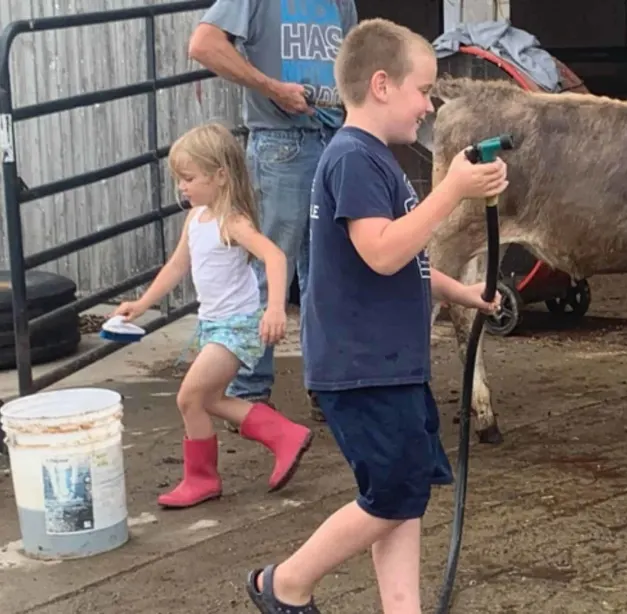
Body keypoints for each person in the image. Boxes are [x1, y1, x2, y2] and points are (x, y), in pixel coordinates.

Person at [243, 18, 509, 614]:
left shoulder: (375, 159)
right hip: (363, 367)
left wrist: (463, 294)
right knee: (391, 496)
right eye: (423, 91)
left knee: (403, 494)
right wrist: (453, 192)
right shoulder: (353, 159)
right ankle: (283, 583)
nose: (427, 106)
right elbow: (382, 251)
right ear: (383, 85)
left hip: (390, 363)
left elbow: (403, 256)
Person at [112, 122, 314, 509]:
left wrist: (274, 308)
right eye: (179, 180)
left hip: (237, 326)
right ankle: (283, 435)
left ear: (220, 176)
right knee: (211, 399)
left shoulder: (232, 220)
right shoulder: (196, 218)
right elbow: (175, 267)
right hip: (213, 325)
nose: (182, 188)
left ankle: (202, 479)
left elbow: (275, 255)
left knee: (189, 397)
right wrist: (141, 304)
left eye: (188, 178)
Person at [188, 0, 359, 423]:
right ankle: (248, 393)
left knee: (327, 270)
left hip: (333, 135)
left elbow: (354, 60)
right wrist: (271, 88)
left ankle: (327, 385)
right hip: (282, 141)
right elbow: (204, 44)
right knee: (268, 269)